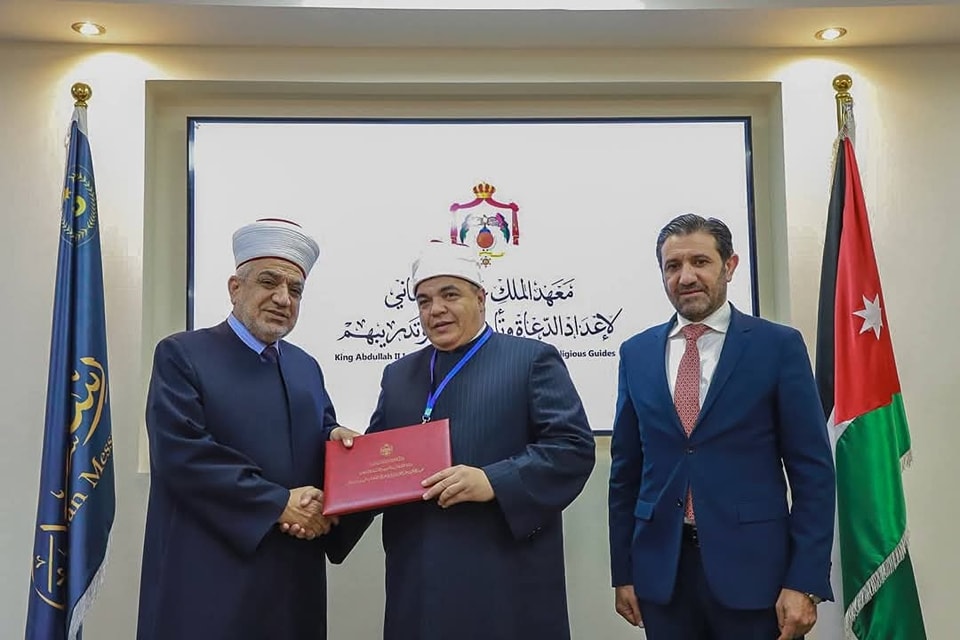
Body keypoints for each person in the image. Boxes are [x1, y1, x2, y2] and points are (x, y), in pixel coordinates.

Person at [350, 240, 596, 640]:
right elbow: (375, 467)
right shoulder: (398, 376)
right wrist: (330, 492)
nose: (436, 310)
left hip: (503, 577)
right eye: (424, 300)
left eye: (450, 295)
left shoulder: (531, 359)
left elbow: (572, 448)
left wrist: (493, 480)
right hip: (419, 576)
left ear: (481, 299)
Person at [608, 214, 836, 640]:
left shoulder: (777, 346)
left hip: (757, 577)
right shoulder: (636, 353)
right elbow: (626, 473)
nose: (686, 277)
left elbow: (813, 473)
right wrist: (623, 570)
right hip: (663, 576)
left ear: (729, 266)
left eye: (700, 262)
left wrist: (805, 580)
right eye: (673, 266)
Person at [137, 218, 358, 640]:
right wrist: (278, 503)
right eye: (269, 282)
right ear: (235, 288)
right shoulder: (182, 355)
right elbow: (182, 454)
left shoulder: (305, 366)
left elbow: (320, 431)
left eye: (295, 290)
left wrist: (339, 444)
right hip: (208, 578)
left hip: (292, 582)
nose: (283, 298)